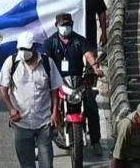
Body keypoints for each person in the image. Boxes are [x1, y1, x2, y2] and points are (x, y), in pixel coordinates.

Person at [0, 31, 62, 168]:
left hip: (43, 122)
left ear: (34, 47)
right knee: (26, 164)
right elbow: (3, 90)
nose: (23, 52)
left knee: (47, 164)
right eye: (20, 49)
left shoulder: (47, 63)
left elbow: (54, 90)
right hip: (21, 123)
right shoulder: (11, 63)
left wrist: (55, 111)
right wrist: (11, 108)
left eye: (26, 49)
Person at [43, 12, 104, 156]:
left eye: (68, 25)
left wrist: (95, 67)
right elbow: (46, 61)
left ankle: (95, 141)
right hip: (58, 83)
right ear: (56, 26)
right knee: (44, 108)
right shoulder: (50, 43)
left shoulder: (78, 40)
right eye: (63, 25)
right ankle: (40, 144)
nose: (66, 27)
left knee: (91, 106)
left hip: (78, 81)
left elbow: (88, 54)